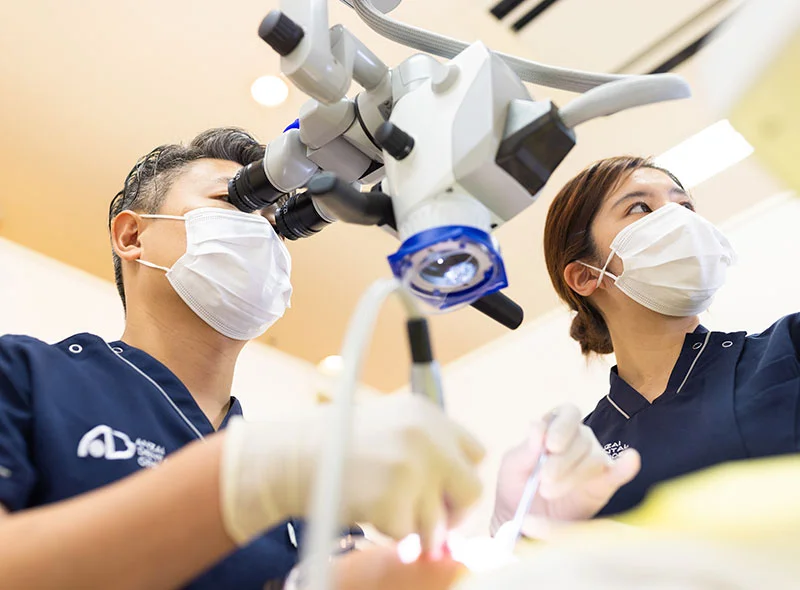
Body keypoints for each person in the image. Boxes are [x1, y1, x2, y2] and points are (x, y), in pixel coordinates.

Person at [0, 127, 486, 589]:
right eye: (235, 202)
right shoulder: (24, 377)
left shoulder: (309, 496)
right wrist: (245, 476)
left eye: (276, 224)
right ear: (131, 237)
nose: (261, 234)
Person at [492, 155, 800, 530]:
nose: (680, 219)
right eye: (640, 207)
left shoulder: (789, 348)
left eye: (685, 206)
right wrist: (518, 529)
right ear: (586, 276)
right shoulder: (578, 451)